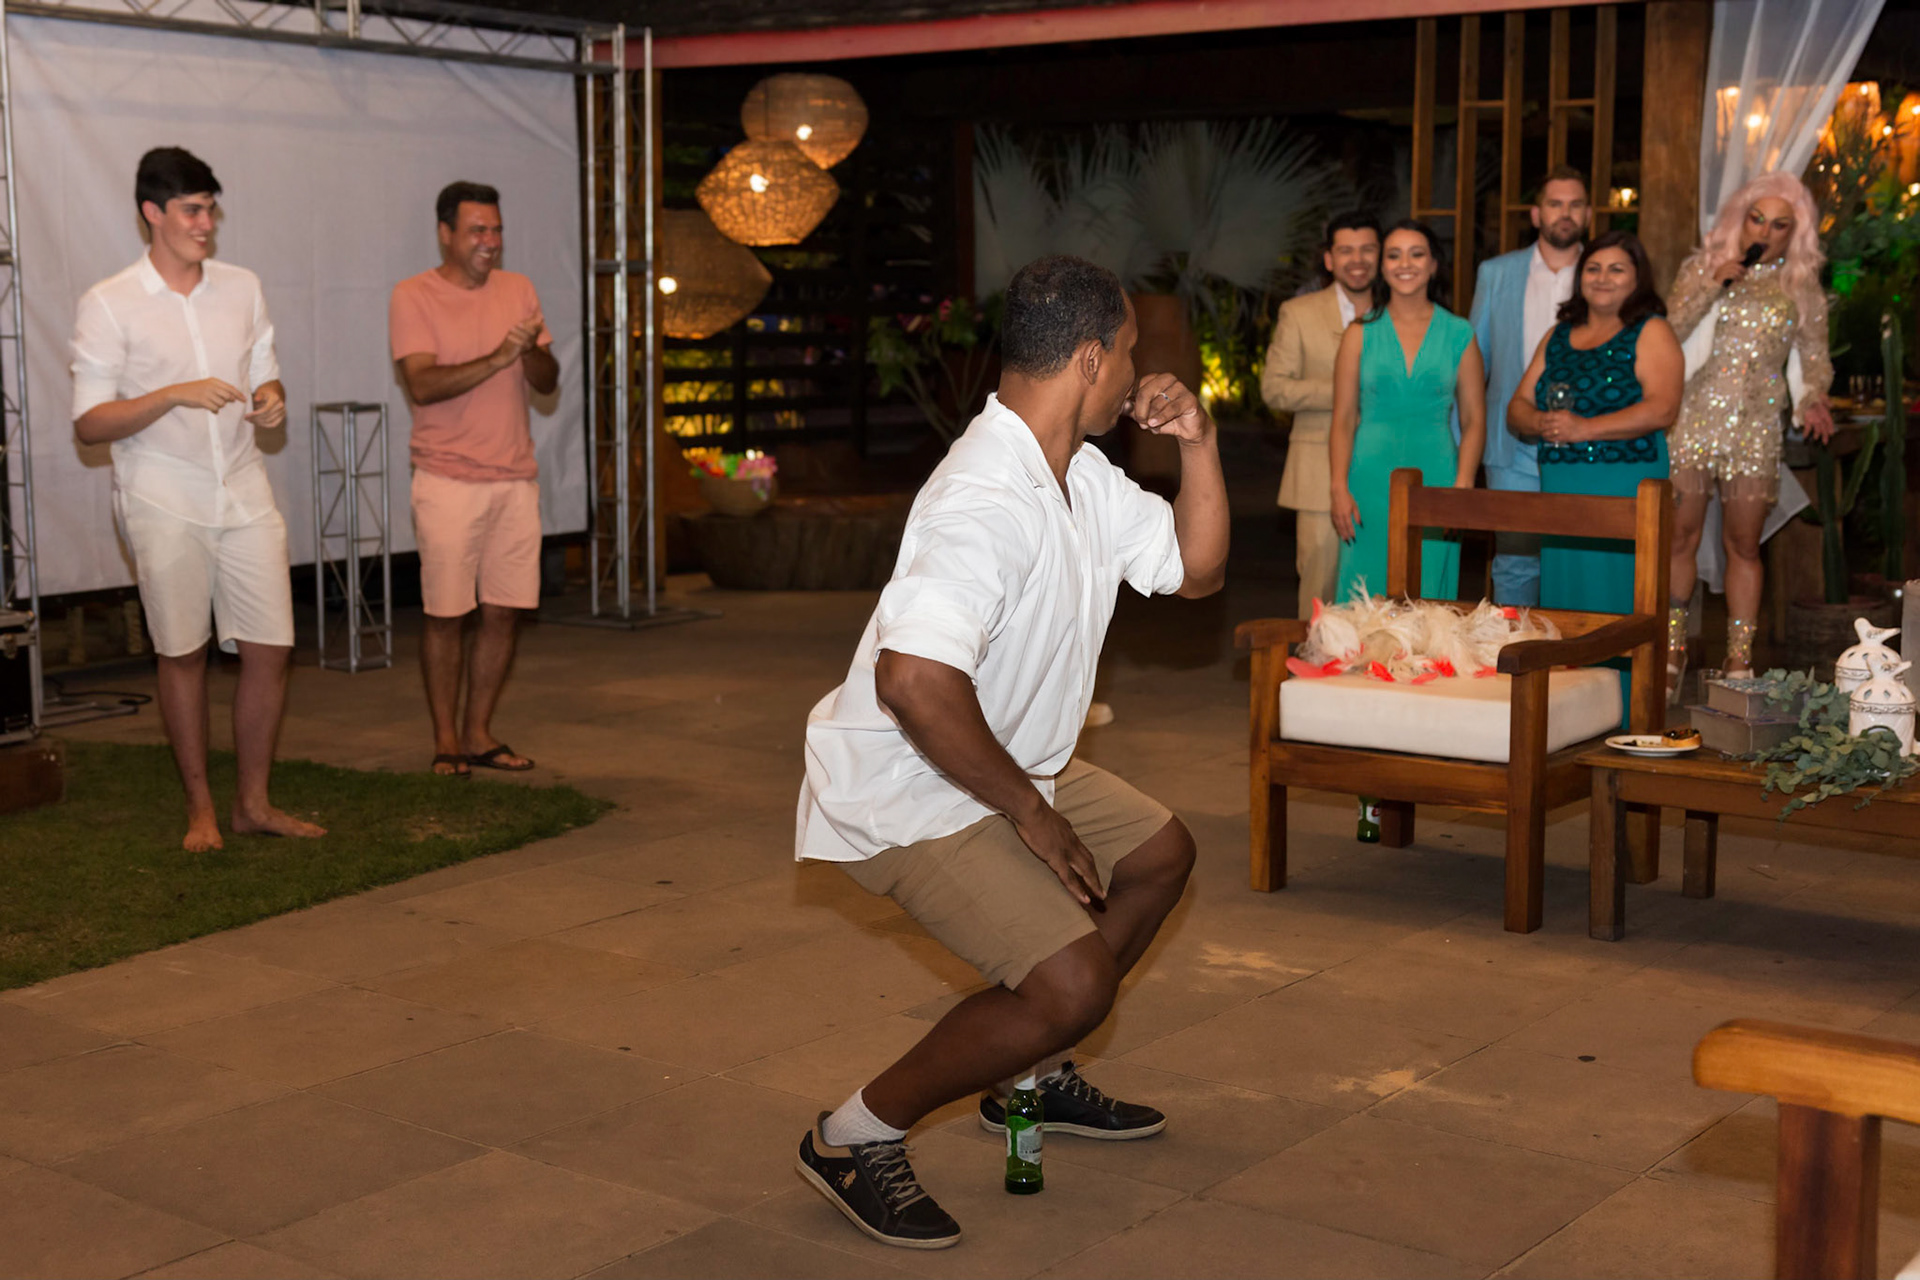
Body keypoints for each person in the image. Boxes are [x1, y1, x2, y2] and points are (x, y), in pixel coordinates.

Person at [792, 255, 1228, 1251]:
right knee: (1072, 981)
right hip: (911, 782)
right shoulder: (985, 496)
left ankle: (1029, 1067)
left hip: (1009, 756)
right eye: (1125, 352)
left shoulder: (1074, 467)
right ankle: (853, 1135)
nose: (1133, 372)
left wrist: (1195, 439)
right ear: (1087, 357)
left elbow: (1197, 573)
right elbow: (913, 680)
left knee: (1159, 853)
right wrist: (1033, 813)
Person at [71, 147, 325, 853]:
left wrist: (271, 400)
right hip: (162, 497)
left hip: (243, 488)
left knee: (271, 648)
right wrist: (172, 394)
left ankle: (253, 804)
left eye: (211, 207)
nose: (206, 223)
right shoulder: (109, 301)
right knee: (182, 653)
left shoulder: (242, 287)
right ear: (152, 213)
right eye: (191, 209)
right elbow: (89, 423)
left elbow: (265, 373)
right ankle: (201, 810)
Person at [390, 181, 559, 775]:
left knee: (504, 611)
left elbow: (546, 381)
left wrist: (529, 349)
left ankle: (479, 734)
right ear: (446, 234)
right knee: (445, 614)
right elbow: (422, 384)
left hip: (514, 478)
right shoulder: (414, 296)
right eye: (477, 231)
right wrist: (498, 355)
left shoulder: (518, 289)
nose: (490, 241)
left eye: (496, 229)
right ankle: (445, 741)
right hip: (447, 479)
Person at [1665, 172, 1835, 685]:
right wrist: (1713, 283)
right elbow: (1665, 334)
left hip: (1757, 429)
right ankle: (1672, 651)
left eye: (1780, 224)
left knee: (1744, 545)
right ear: (1742, 217)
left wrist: (1814, 399)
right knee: (1678, 540)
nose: (1766, 230)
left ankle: (1739, 659)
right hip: (1694, 421)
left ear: (1794, 231)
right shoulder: (1702, 267)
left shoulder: (1800, 285)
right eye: (1758, 218)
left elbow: (1816, 359)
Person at [1507, 231, 1684, 718]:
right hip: (1562, 486)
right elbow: (1516, 406)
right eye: (1594, 268)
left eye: (1616, 269)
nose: (1602, 278)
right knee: (1567, 598)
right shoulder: (1557, 335)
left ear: (1637, 279)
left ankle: (1629, 714)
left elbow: (1662, 408)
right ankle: (1574, 718)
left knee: (1619, 600)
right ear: (1580, 277)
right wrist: (1538, 421)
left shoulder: (1651, 331)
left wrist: (1586, 428)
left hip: (1625, 485)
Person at [1329, 220, 1486, 602]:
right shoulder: (1359, 332)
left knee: (1428, 590)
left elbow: (1474, 420)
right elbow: (1344, 418)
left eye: (1417, 254)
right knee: (1363, 590)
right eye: (1394, 255)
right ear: (1382, 266)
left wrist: (1462, 487)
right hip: (1368, 479)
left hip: (1437, 477)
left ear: (1434, 265)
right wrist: (1338, 486)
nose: (1405, 264)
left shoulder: (1459, 333)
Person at [1465, 166, 1592, 605]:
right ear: (1536, 214)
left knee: (1576, 557)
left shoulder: (1605, 276)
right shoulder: (1496, 273)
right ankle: (1511, 662)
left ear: (1588, 214)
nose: (1565, 213)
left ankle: (1570, 665)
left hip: (1585, 442)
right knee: (1515, 561)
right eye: (1555, 204)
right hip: (1511, 442)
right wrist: (1460, 441)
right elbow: (1472, 360)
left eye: (1575, 204)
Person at [1261, 210, 1381, 617]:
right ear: (1329, 259)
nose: (1357, 259)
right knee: (1320, 596)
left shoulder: (1401, 313)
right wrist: (1346, 392)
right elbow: (1274, 388)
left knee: (1383, 592)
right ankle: (1313, 676)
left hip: (1386, 465)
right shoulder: (1299, 312)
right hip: (1316, 475)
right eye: (1346, 250)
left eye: (1367, 249)